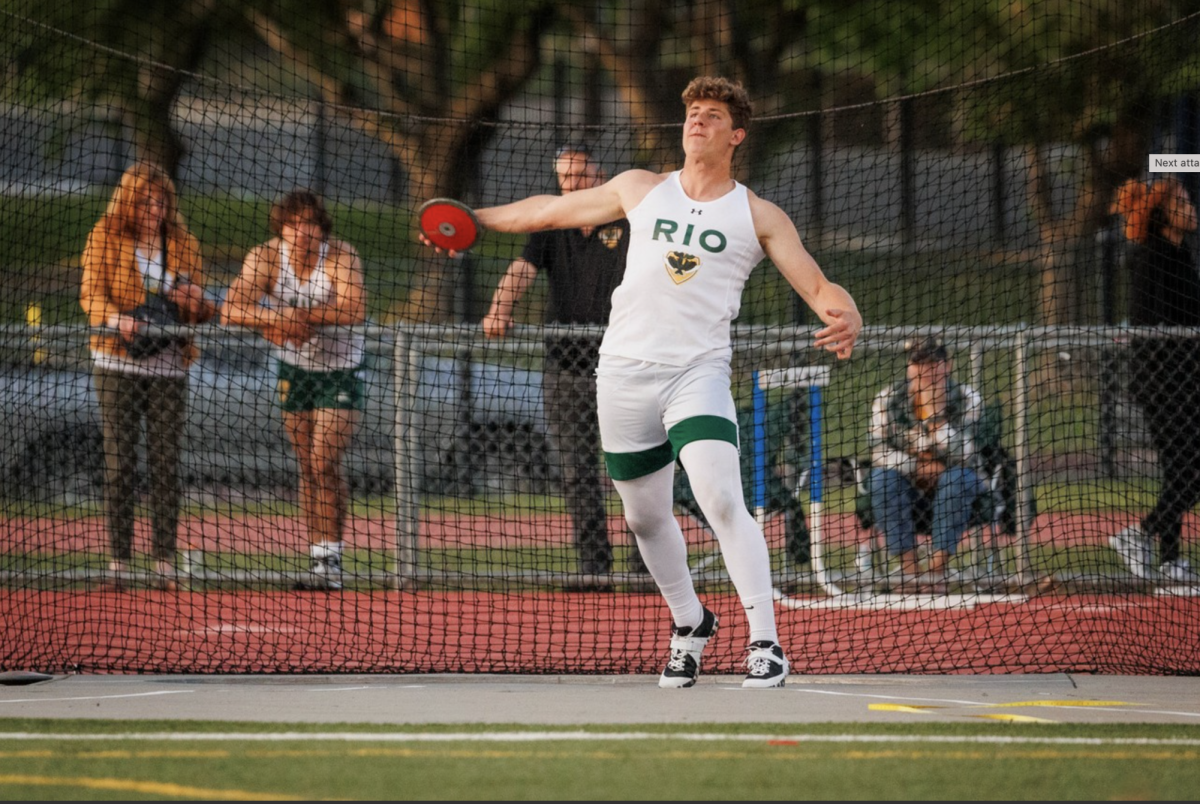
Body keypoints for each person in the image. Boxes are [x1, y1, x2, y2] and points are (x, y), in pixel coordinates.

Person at [421, 76, 862, 689]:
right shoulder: (639, 188)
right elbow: (549, 211)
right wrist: (472, 219)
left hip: (697, 374)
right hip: (622, 373)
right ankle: (691, 624)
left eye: (711, 116)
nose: (696, 122)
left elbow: (819, 288)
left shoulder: (757, 214)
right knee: (644, 520)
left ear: (735, 135)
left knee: (720, 498)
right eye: (692, 113)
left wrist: (849, 313)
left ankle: (766, 641)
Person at [482, 144, 643, 577]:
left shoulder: (629, 219)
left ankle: (646, 568)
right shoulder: (551, 224)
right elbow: (522, 269)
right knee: (576, 470)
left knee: (632, 469)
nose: (573, 185)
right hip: (564, 366)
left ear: (601, 176)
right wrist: (500, 308)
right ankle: (594, 568)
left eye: (581, 176)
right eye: (566, 179)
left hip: (622, 365)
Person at [222, 189, 367, 590]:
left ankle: (332, 562)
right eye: (295, 225)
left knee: (324, 461)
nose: (303, 233)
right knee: (305, 464)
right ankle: (317, 560)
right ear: (282, 228)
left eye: (311, 225)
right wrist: (276, 320)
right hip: (295, 367)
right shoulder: (266, 257)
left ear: (322, 229)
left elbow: (354, 308)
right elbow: (230, 308)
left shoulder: (340, 255)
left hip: (341, 368)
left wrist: (302, 317)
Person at [80, 161, 216, 589]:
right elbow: (89, 295)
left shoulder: (182, 242)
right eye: (146, 201)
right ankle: (118, 565)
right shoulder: (105, 235)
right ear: (129, 201)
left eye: (161, 201)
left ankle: (164, 564)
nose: (154, 209)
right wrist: (117, 319)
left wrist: (194, 298)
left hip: (169, 365)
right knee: (120, 464)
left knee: (165, 464)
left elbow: (202, 309)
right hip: (117, 360)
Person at [1110, 175, 1200, 584]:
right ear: (1165, 214)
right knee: (1189, 473)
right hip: (1161, 384)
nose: (1192, 207)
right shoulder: (1150, 256)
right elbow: (1153, 324)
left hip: (1183, 381)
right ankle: (1140, 534)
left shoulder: (1181, 256)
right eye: (1182, 201)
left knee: (1178, 469)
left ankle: (1169, 560)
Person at [865, 337, 987, 587]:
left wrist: (934, 416)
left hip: (956, 486)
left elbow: (968, 452)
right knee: (881, 480)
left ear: (947, 365)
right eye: (919, 363)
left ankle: (935, 574)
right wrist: (916, 467)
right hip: (907, 487)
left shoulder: (967, 398)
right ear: (910, 367)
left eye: (934, 362)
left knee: (958, 479)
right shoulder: (887, 399)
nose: (927, 370)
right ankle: (911, 573)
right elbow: (878, 452)